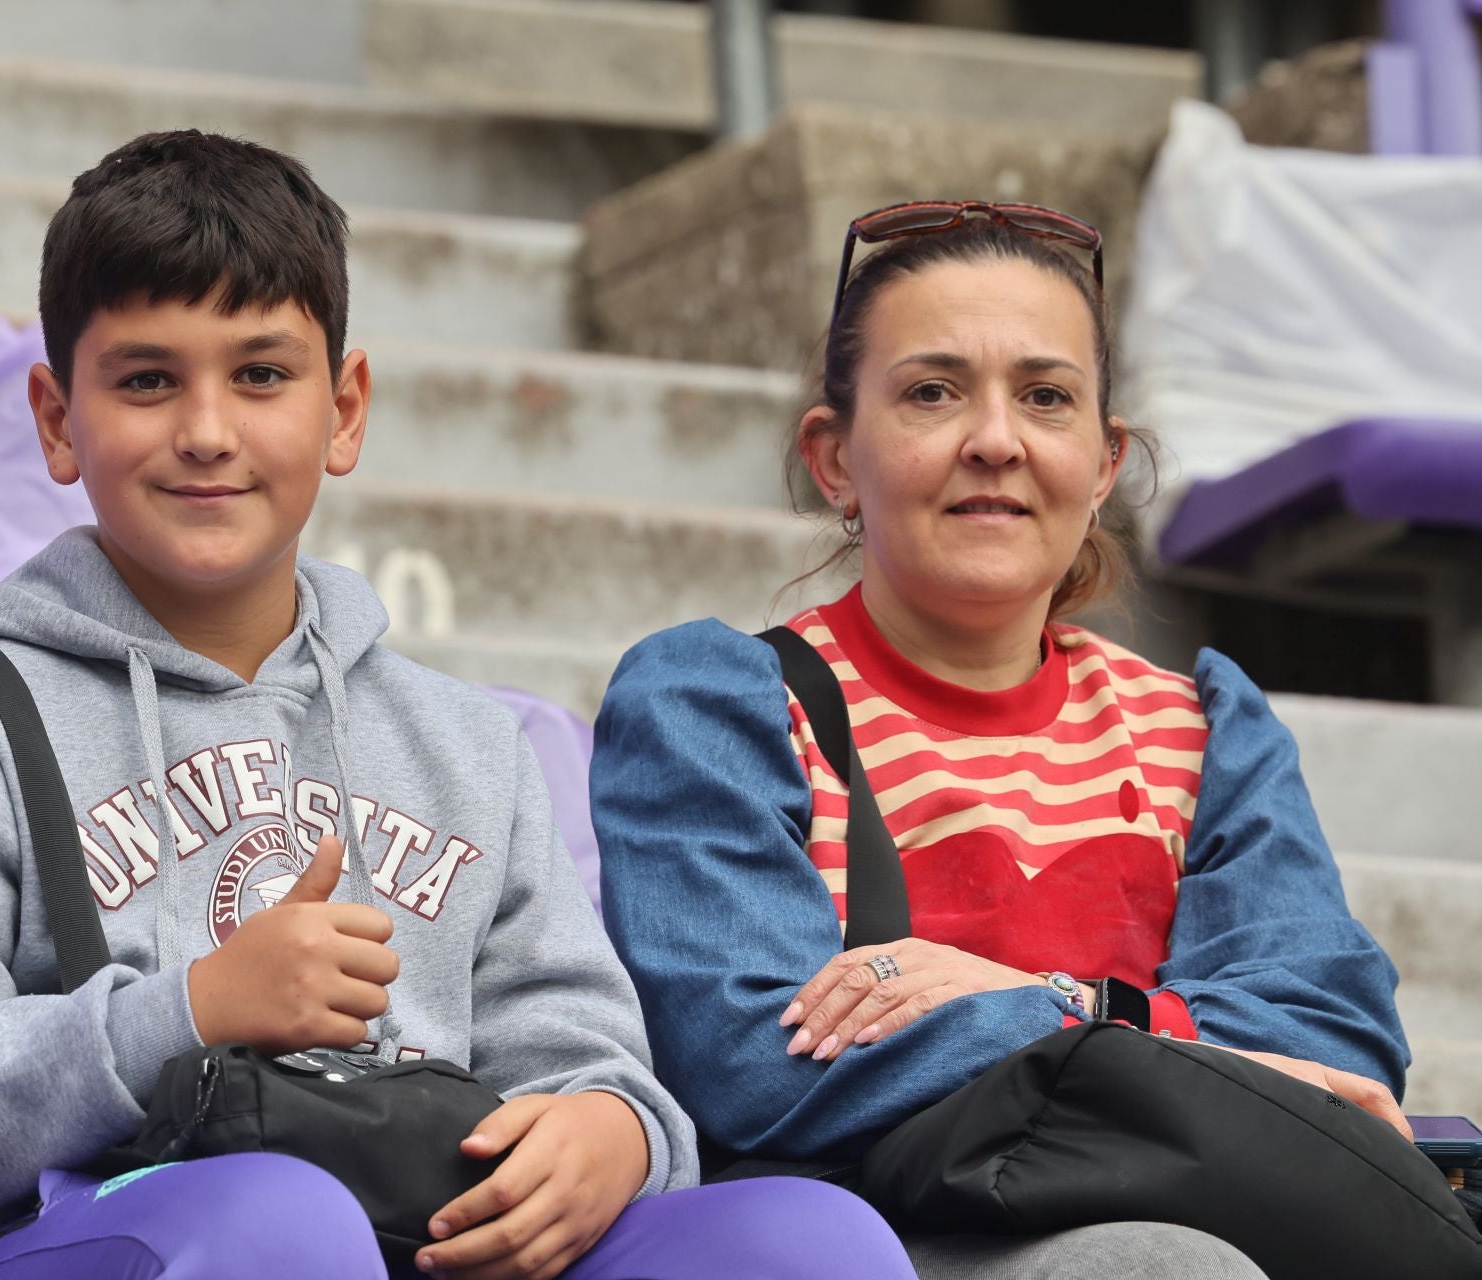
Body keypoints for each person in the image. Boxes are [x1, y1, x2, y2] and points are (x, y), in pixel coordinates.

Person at [0, 131, 915, 1280]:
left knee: (808, 1241)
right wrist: (183, 1011)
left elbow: (583, 1052)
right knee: (282, 1224)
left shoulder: (467, 740)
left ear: (346, 408)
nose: (209, 429)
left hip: (412, 1238)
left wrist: (611, 1129)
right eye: (145, 378)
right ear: (57, 418)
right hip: (78, 1241)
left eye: (262, 373)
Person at [588, 203, 1412, 1279]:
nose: (995, 438)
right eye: (932, 391)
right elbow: (756, 1061)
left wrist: (1027, 1004)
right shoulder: (718, 703)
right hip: (866, 1234)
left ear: (1106, 460)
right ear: (833, 458)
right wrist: (1178, 1041)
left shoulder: (1206, 731)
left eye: (1046, 396)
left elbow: (1329, 1050)